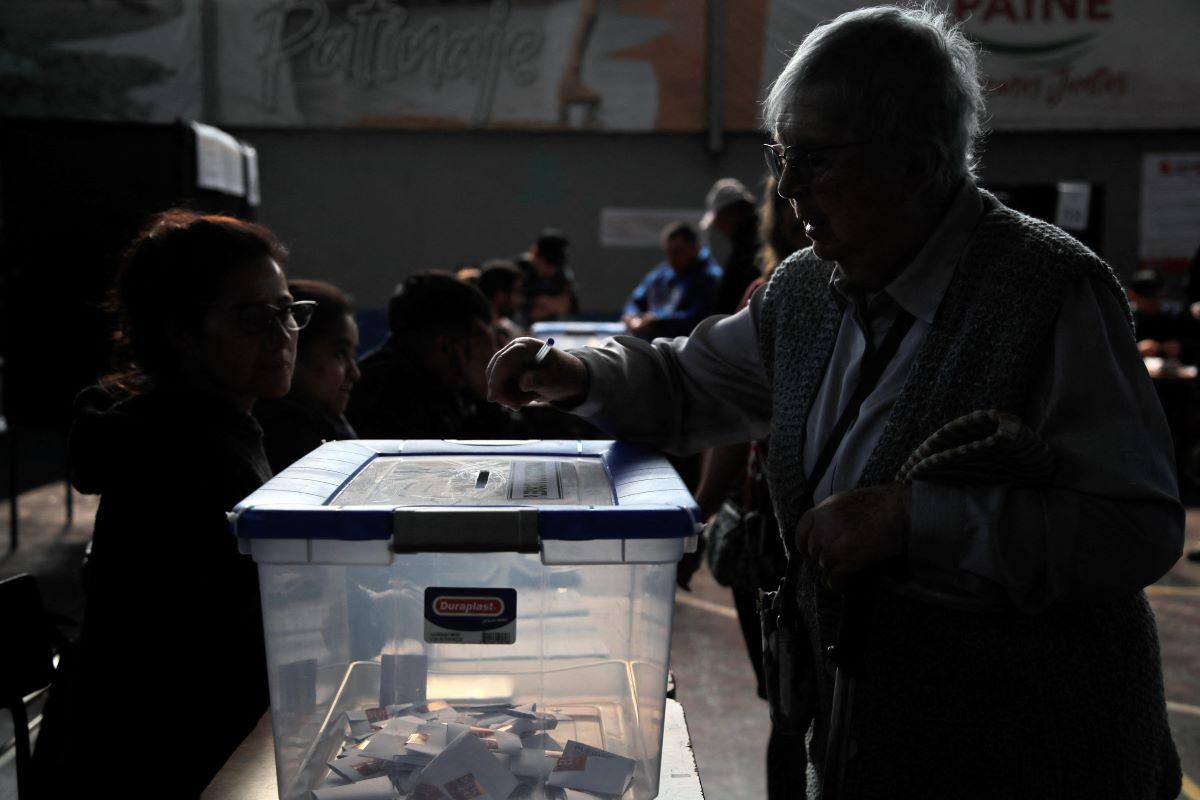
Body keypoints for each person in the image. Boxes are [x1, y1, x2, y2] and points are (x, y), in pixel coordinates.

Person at [487, 6, 1183, 799]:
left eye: (815, 161)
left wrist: (917, 522)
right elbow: (689, 385)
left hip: (1039, 757)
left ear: (918, 164)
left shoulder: (1049, 291)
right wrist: (576, 371)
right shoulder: (809, 290)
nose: (787, 190)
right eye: (783, 157)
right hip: (876, 747)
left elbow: (1136, 526)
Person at [38, 210, 303, 797]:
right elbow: (222, 645)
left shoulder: (211, 422)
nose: (282, 336)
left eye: (287, 311)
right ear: (182, 331)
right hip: (151, 762)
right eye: (255, 317)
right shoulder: (182, 451)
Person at [344, 271, 505, 439]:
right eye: (486, 343)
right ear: (446, 346)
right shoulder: (394, 394)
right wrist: (488, 394)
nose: (493, 354)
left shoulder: (428, 378)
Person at [255, 279, 360, 473]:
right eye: (339, 354)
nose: (355, 373)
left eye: (352, 355)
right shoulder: (289, 438)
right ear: (292, 351)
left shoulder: (326, 422)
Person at [621, 221, 722, 339]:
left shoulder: (709, 278)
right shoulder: (662, 273)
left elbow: (698, 319)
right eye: (668, 252)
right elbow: (635, 301)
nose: (671, 259)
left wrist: (659, 322)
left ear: (694, 248)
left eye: (677, 252)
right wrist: (632, 317)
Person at [701, 177, 762, 314]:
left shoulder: (750, 250)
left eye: (720, 219)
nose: (718, 227)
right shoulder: (746, 244)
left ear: (734, 213)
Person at [518, 228, 580, 323]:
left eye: (554, 265)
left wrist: (550, 304)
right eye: (547, 263)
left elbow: (572, 305)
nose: (551, 270)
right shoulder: (518, 271)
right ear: (534, 253)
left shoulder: (561, 274)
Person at [478, 259, 528, 345]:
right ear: (500, 295)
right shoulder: (479, 338)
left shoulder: (506, 327)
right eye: (517, 292)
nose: (520, 300)